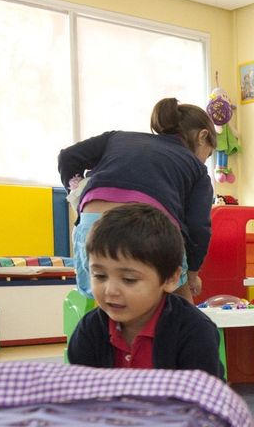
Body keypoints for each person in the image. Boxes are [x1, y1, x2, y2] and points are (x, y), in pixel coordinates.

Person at [59, 97, 216, 303]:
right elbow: (198, 228)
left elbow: (68, 157)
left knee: (109, 300)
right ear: (202, 136)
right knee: (181, 305)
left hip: (93, 225)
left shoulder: (117, 138)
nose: (205, 159)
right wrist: (192, 273)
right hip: (149, 228)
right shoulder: (196, 168)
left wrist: (76, 188)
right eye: (209, 153)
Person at [67, 203, 224, 380]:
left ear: (170, 279)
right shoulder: (90, 331)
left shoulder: (193, 331)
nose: (110, 291)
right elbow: (80, 397)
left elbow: (207, 400)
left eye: (129, 280)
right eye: (100, 276)